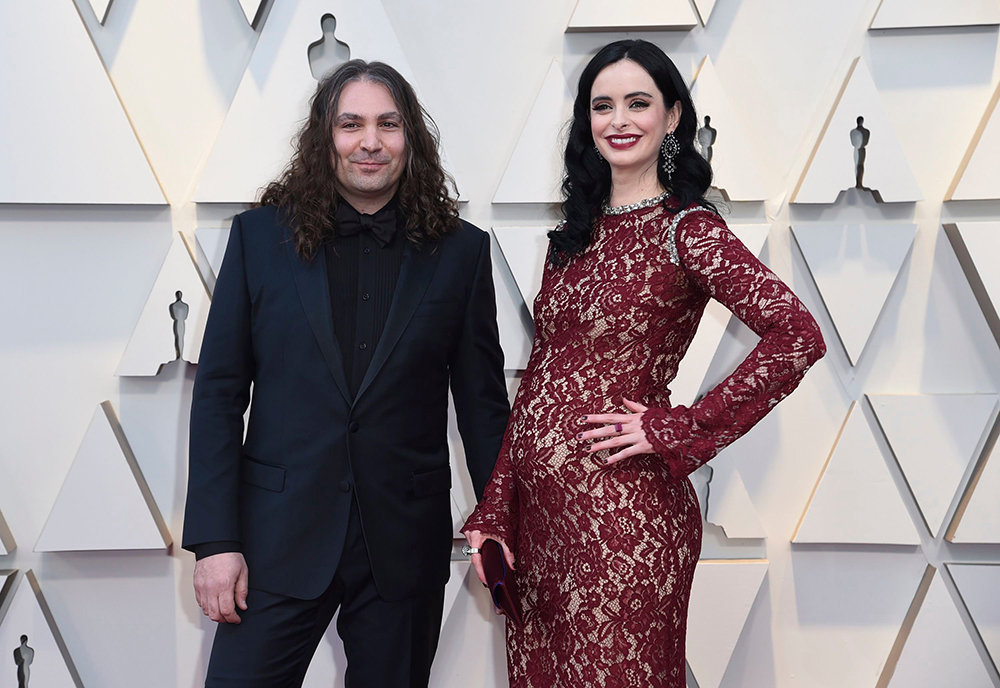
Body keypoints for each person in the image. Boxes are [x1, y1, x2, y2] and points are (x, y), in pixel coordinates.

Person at [463, 39, 826, 687]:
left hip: (627, 526)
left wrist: (672, 428)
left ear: (674, 117)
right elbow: (540, 379)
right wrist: (496, 508)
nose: (619, 120)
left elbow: (795, 335)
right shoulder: (571, 237)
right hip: (545, 530)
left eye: (638, 103)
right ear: (586, 122)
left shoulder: (687, 228)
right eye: (603, 106)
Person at [182, 59, 510, 687]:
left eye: (388, 125)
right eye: (351, 124)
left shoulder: (461, 252)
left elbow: (482, 406)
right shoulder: (258, 240)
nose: (369, 142)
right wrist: (215, 542)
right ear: (323, 137)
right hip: (275, 541)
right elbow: (220, 394)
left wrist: (501, 518)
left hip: (404, 545)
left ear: (409, 138)